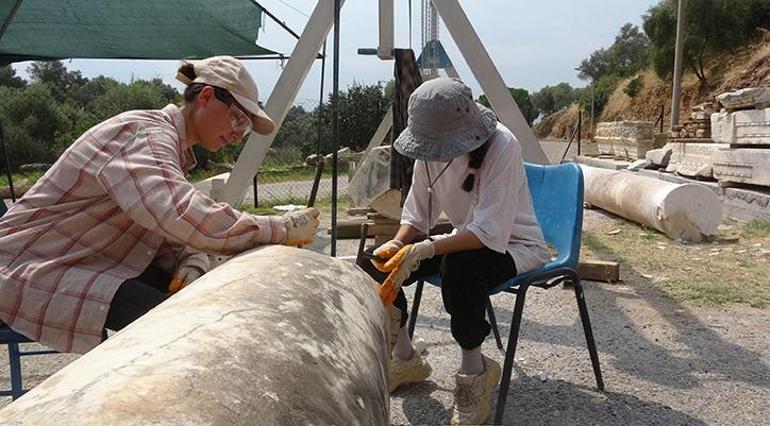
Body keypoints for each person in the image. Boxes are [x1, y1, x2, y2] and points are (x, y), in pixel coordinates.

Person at [0, 56, 319, 354]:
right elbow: (179, 213)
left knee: (189, 305)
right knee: (181, 329)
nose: (237, 135)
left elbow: (166, 231)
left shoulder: (170, 150)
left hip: (79, 263)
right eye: (237, 118)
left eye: (245, 127)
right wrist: (279, 228)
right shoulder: (145, 134)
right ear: (206, 97)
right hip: (25, 268)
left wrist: (192, 264)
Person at [358, 78, 550, 425]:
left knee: (460, 269)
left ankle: (473, 375)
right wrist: (398, 244)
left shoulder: (502, 145)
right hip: (468, 240)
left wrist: (428, 248)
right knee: (373, 265)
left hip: (515, 245)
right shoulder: (429, 151)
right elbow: (417, 216)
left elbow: (489, 232)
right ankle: (404, 357)